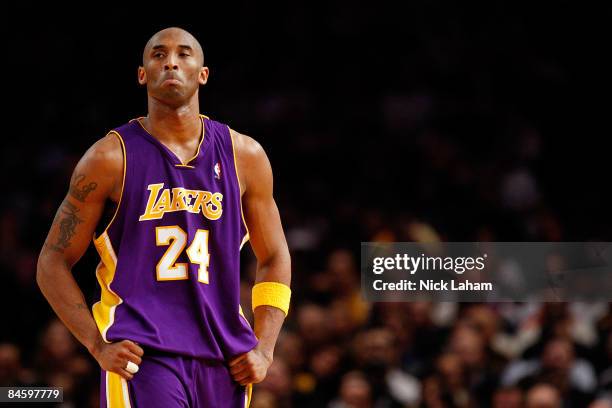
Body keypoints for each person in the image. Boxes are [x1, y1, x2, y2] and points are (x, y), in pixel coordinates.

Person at [36, 27, 291, 408]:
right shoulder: (109, 158)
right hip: (144, 356)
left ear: (203, 74)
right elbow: (51, 262)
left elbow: (274, 257)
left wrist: (266, 349)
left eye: (184, 54)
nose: (171, 61)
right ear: (142, 74)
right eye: (158, 54)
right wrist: (96, 344)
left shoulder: (245, 156)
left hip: (226, 358)